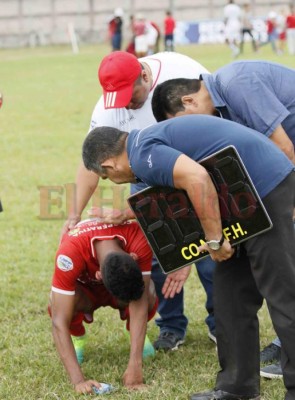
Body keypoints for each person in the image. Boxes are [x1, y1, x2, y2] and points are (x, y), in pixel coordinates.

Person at [82, 114, 295, 400]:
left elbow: (197, 178)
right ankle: (236, 388)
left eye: (108, 177)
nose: (115, 181)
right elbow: (175, 190)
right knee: (230, 295)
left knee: (282, 293)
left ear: (108, 165)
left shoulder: (144, 152)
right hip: (238, 194)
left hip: (265, 185)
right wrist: (124, 214)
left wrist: (215, 240)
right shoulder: (141, 146)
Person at [61, 50, 217, 352]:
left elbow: (213, 116)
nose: (126, 106)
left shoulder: (180, 69)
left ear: (145, 77)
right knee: (158, 251)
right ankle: (171, 326)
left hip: (197, 168)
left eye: (130, 96)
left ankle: (219, 323)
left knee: (211, 251)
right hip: (146, 176)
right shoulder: (108, 107)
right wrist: (73, 214)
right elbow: (92, 162)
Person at [49, 218, 158, 394]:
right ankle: (78, 336)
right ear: (98, 275)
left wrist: (135, 364)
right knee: (56, 302)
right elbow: (58, 321)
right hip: (85, 291)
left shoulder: (139, 237)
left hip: (115, 285)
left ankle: (135, 333)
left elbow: (140, 299)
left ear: (133, 257)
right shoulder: (69, 252)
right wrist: (78, 381)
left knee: (149, 291)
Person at [150, 60, 295, 163]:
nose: (189, 130)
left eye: (183, 123)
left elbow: (284, 149)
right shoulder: (220, 106)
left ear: (189, 101)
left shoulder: (235, 84)